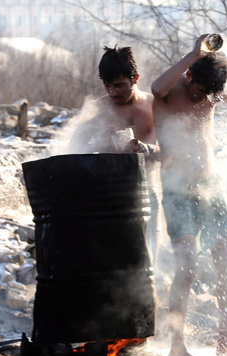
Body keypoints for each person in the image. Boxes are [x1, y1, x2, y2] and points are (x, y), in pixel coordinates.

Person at [151, 34, 227, 356]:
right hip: (176, 187)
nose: (202, 98)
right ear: (190, 76)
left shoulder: (214, 94)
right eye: (199, 89)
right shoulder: (171, 91)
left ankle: (224, 339)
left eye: (209, 93)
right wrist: (192, 55)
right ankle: (178, 348)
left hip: (211, 187)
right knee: (186, 264)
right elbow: (157, 87)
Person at [68, 46, 161, 267]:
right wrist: (101, 144)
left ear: (135, 78)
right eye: (107, 86)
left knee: (148, 259)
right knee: (111, 259)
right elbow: (72, 150)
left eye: (119, 85)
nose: (113, 92)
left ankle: (150, 298)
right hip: (107, 193)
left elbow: (172, 152)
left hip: (146, 191)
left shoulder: (153, 106)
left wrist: (146, 150)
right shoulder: (97, 109)